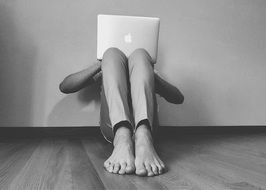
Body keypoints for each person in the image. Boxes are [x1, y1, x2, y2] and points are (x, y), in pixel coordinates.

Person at [60, 47, 184, 176]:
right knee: (111, 54)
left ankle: (143, 136)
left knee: (140, 54)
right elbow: (65, 87)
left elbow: (178, 98)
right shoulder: (106, 70)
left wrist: (150, 74)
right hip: (113, 128)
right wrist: (102, 65)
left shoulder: (143, 68)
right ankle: (122, 137)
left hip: (147, 126)